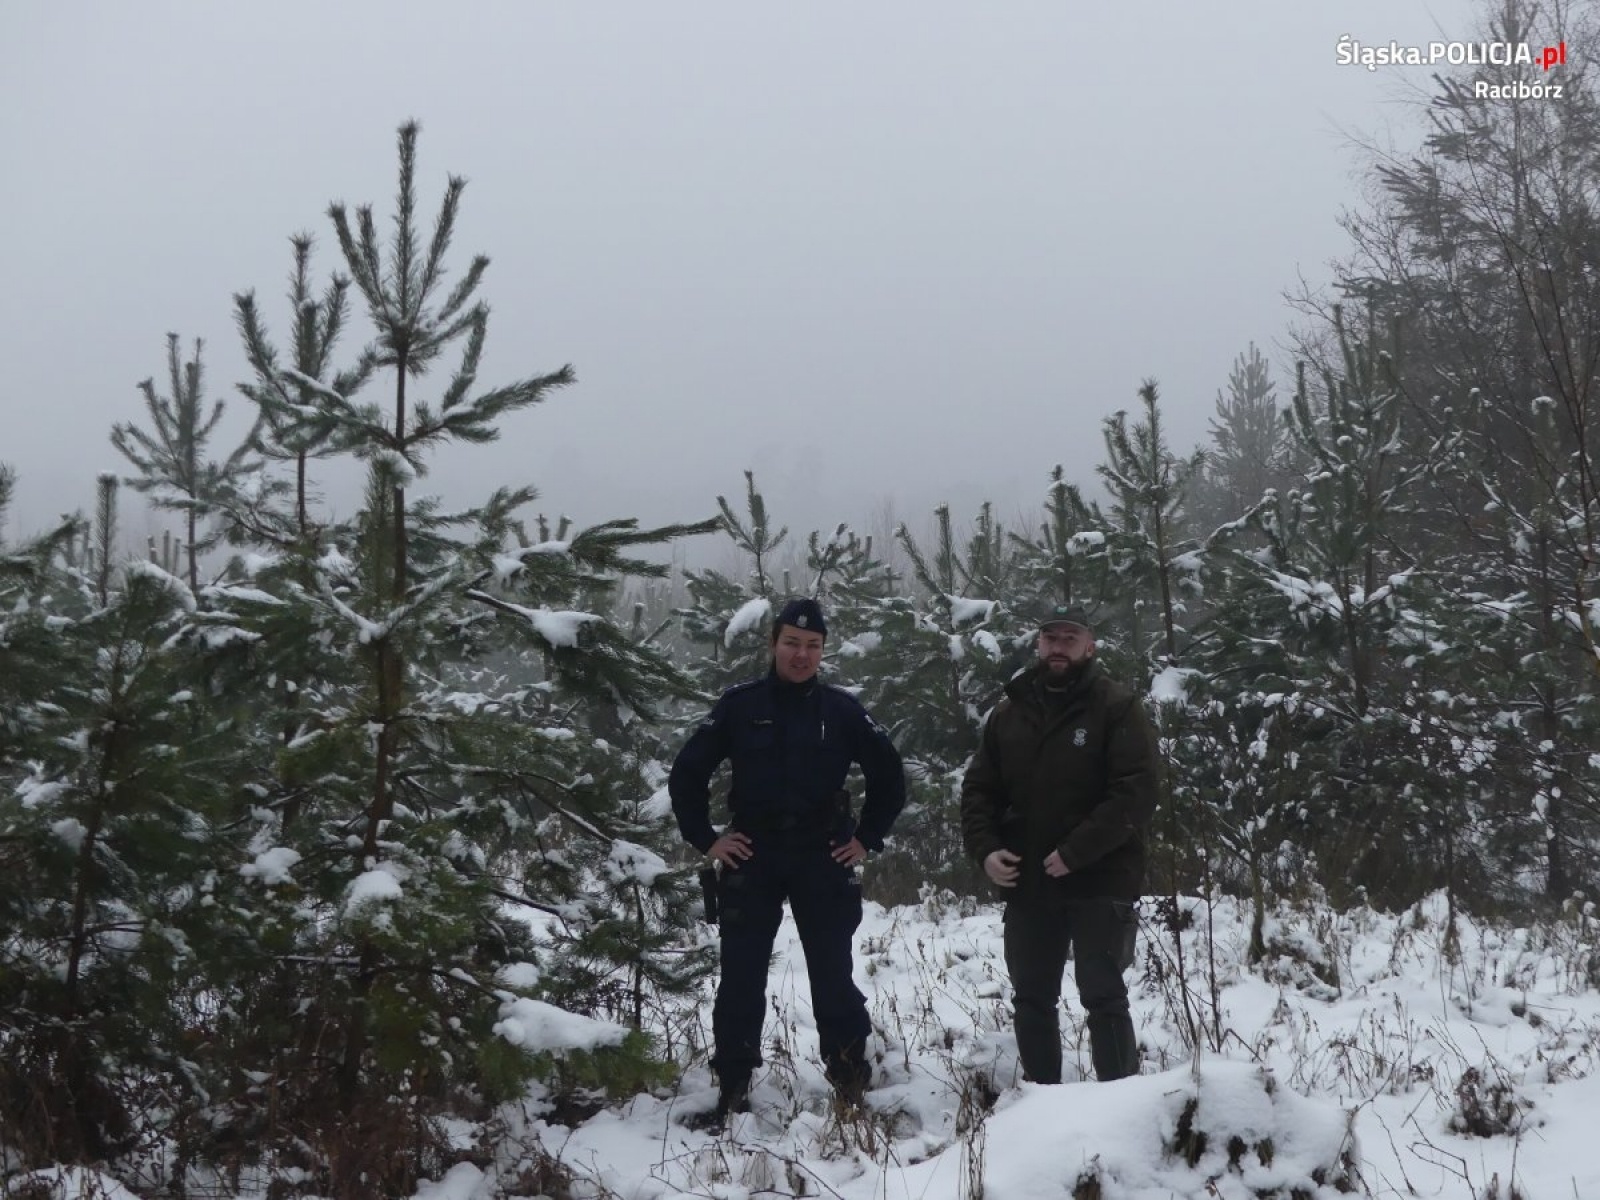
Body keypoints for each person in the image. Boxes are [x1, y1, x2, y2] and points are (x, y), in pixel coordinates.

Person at [670, 597, 906, 1123]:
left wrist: (866, 839)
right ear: (774, 643)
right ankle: (732, 1087)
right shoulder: (739, 706)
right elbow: (687, 773)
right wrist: (707, 840)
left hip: (822, 855)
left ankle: (849, 1083)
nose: (802, 655)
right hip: (752, 854)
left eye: (813, 646)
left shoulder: (842, 711)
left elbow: (890, 778)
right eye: (792, 643)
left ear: (823, 651)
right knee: (741, 977)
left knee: (832, 974)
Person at [959, 603, 1159, 1084]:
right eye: (1051, 638)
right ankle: (1042, 1105)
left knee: (1103, 993)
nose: (1059, 647)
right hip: (1028, 879)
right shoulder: (1009, 713)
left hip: (1101, 876)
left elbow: (1136, 791)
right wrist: (986, 850)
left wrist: (1077, 851)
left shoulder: (1116, 706)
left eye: (1070, 638)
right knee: (1031, 997)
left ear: (1090, 646)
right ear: (1037, 644)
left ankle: (1122, 1100)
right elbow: (979, 791)